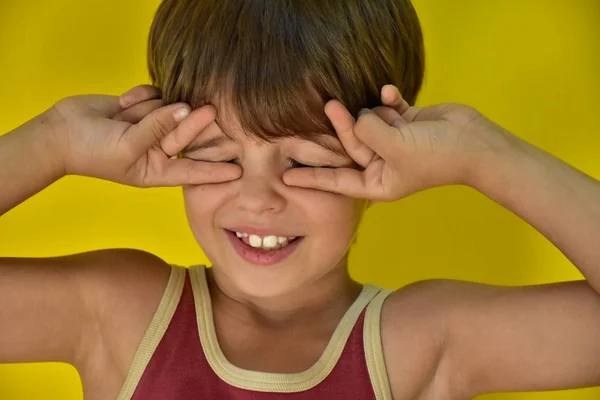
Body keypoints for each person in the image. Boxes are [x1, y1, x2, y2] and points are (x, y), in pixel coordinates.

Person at [1, 0, 600, 399]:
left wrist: (481, 151)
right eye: (221, 156)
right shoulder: (117, 314)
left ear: (384, 156)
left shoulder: (419, 342)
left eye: (306, 160)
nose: (258, 198)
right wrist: (52, 142)